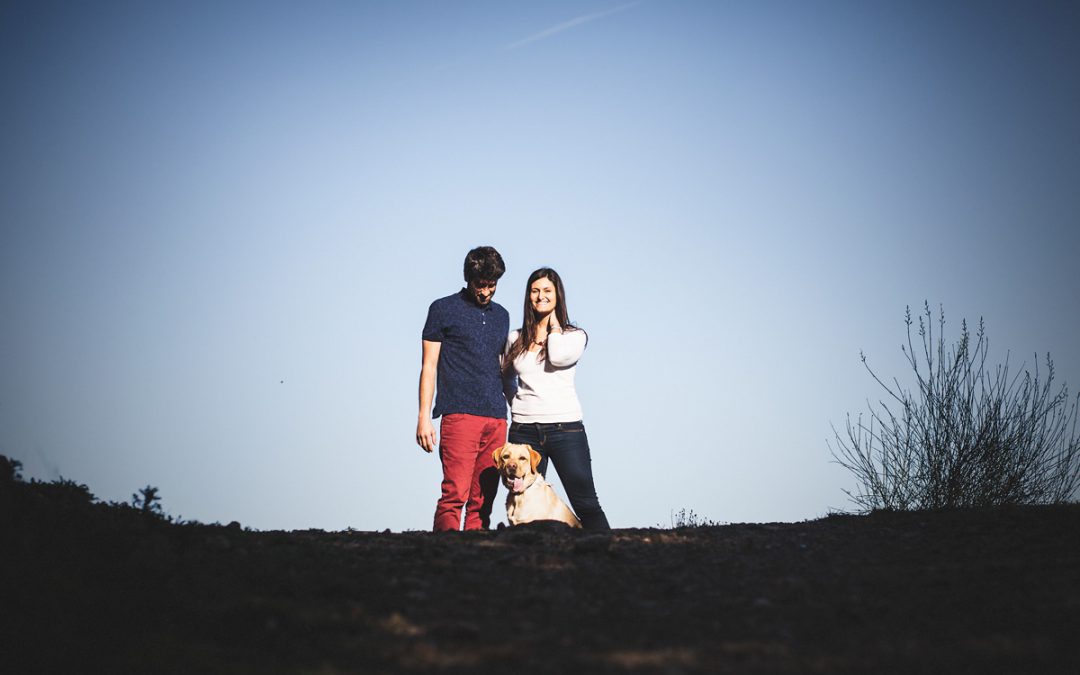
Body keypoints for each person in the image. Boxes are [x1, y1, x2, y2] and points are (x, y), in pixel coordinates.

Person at [503, 267, 610, 530]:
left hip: (566, 430)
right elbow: (505, 376)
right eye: (535, 290)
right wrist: (516, 404)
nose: (541, 296)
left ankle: (611, 557)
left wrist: (553, 326)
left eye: (547, 291)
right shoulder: (515, 338)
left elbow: (558, 356)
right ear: (528, 296)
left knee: (585, 503)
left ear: (558, 295)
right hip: (524, 431)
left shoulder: (574, 337)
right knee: (524, 500)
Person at [417, 246, 510, 531]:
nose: (485, 292)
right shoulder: (442, 309)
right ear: (469, 279)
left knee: (484, 498)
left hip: (496, 416)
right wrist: (423, 417)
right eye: (480, 285)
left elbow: (503, 367)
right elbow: (429, 366)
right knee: (455, 493)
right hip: (459, 414)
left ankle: (477, 556)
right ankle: (444, 557)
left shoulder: (502, 315)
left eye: (491, 285)